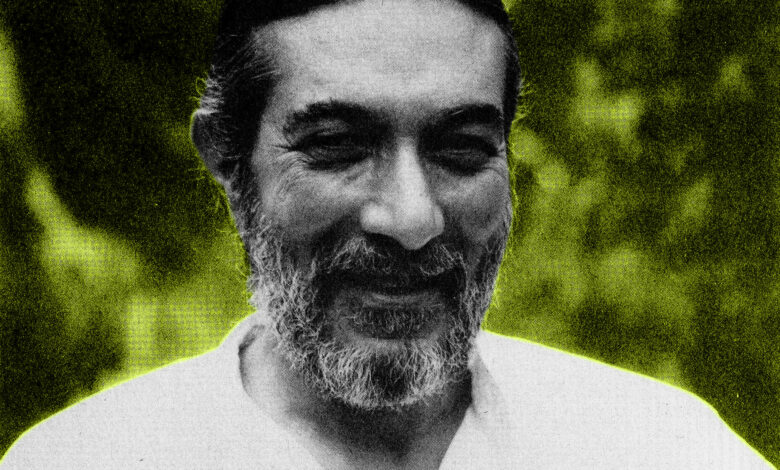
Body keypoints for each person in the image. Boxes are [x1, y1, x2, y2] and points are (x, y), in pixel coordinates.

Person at [1, 0, 774, 468]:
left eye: (460, 150)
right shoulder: (84, 460)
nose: (411, 219)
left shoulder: (661, 448)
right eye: (337, 146)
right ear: (228, 161)